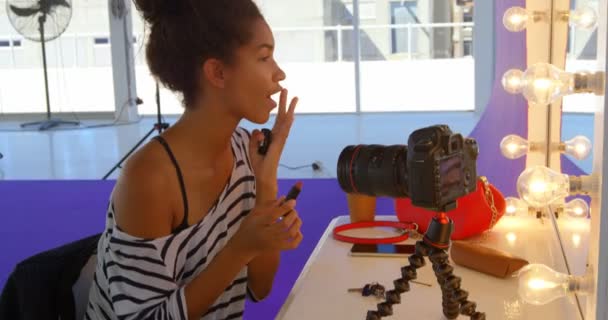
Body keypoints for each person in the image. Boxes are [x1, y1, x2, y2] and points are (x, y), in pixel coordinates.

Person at [85, 1, 303, 319]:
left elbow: (260, 287)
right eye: (264, 57)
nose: (279, 72)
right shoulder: (149, 178)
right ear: (217, 72)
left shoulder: (244, 149)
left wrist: (265, 180)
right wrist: (242, 246)